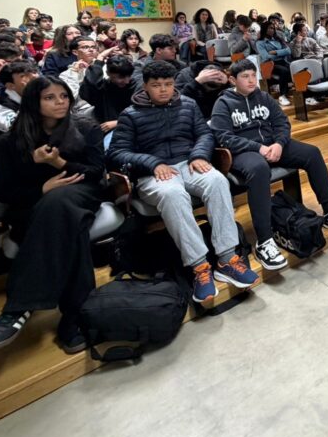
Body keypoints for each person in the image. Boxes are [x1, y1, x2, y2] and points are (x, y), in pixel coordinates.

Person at [0, 77, 107, 352]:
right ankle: (76, 319)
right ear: (33, 102)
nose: (60, 102)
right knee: (70, 226)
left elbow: (96, 174)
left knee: (60, 202)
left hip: (82, 193)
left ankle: (18, 307)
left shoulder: (85, 127)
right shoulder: (10, 141)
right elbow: (5, 193)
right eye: (50, 97)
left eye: (64, 96)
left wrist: (58, 162)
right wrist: (41, 188)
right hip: (32, 204)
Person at [108, 61, 257, 303]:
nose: (163, 90)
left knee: (217, 181)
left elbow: (204, 134)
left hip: (189, 163)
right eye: (156, 85)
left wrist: (198, 155)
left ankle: (227, 258)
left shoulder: (188, 104)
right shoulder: (130, 114)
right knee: (173, 194)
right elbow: (116, 153)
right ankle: (199, 266)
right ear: (145, 86)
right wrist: (152, 163)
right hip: (153, 173)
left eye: (168, 84)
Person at [211, 60, 328, 271]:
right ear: (232, 80)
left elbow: (282, 123)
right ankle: (264, 241)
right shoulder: (223, 103)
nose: (251, 80)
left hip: (273, 145)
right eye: (245, 76)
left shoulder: (264, 97)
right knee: (259, 169)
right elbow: (223, 136)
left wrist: (279, 143)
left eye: (253, 75)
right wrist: (258, 148)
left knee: (312, 153)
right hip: (244, 152)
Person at [78, 55, 135, 142]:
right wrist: (98, 62)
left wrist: (118, 122)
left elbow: (143, 114)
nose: (127, 81)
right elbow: (88, 88)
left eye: (129, 76)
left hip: (132, 129)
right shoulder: (103, 88)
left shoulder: (135, 85)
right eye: (121, 77)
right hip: (108, 132)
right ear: (108, 73)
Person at [0, 61, 40, 141]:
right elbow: (22, 130)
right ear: (10, 86)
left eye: (34, 72)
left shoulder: (42, 99)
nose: (34, 76)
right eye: (23, 75)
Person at [256, 20, 293, 106]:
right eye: (270, 28)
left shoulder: (278, 39)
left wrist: (275, 52)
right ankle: (282, 95)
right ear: (264, 29)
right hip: (269, 64)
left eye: (273, 28)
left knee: (295, 67)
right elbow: (266, 56)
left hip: (282, 61)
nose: (272, 30)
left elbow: (288, 51)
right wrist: (281, 53)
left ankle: (303, 93)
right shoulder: (260, 43)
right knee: (284, 71)